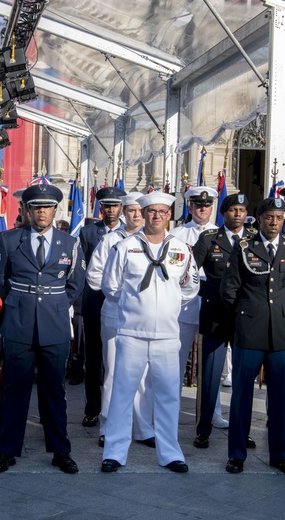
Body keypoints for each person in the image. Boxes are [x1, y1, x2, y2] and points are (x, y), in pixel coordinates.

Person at [0, 183, 86, 474]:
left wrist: (53, 305)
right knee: (14, 389)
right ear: (28, 210)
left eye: (47, 207)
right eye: (36, 207)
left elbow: (75, 284)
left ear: (55, 210)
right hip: (18, 323)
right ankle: (7, 449)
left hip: (54, 325)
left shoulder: (70, 244)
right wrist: (19, 302)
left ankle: (60, 450)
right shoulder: (7, 240)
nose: (42, 211)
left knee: (54, 390)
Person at [100, 192, 198, 474]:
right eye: (151, 211)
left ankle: (170, 453)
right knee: (122, 393)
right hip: (131, 333)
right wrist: (137, 307)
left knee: (168, 395)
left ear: (170, 215)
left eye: (162, 212)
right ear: (142, 214)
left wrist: (166, 305)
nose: (156, 216)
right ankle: (115, 453)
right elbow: (111, 287)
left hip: (167, 335)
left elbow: (190, 288)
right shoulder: (126, 247)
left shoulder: (181, 248)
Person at [221, 197, 285, 475]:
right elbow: (229, 289)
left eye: (279, 218)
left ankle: (279, 455)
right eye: (269, 217)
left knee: (281, 397)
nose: (274, 222)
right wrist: (249, 315)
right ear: (258, 219)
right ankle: (236, 454)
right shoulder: (245, 247)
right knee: (241, 396)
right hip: (249, 331)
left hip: (280, 334)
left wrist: (280, 313)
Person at [86, 192, 153, 448]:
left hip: (145, 316)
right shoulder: (111, 240)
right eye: (132, 210)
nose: (136, 215)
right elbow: (94, 276)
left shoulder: (154, 240)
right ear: (123, 213)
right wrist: (122, 294)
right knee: (113, 372)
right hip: (116, 313)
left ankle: (143, 428)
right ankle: (109, 426)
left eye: (140, 210)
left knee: (143, 376)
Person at [191, 192, 250, 449]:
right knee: (210, 377)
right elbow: (190, 274)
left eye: (242, 210)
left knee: (242, 377)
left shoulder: (253, 239)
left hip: (245, 317)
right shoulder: (208, 239)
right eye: (233, 210)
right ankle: (204, 428)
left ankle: (241, 429)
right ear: (223, 214)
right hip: (214, 314)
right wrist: (207, 294)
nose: (237, 214)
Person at [76, 186, 126, 428]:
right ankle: (93, 408)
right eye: (106, 205)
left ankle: (119, 407)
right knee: (94, 357)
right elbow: (83, 269)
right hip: (95, 301)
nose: (111, 210)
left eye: (115, 205)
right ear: (101, 208)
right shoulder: (88, 233)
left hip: (123, 303)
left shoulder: (131, 232)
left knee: (121, 358)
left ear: (122, 207)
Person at [170, 186, 218, 392]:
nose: (203, 209)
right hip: (185, 301)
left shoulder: (221, 235)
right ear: (190, 207)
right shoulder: (177, 234)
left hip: (212, 298)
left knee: (212, 362)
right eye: (198, 205)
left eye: (207, 206)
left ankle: (212, 410)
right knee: (176, 358)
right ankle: (172, 406)